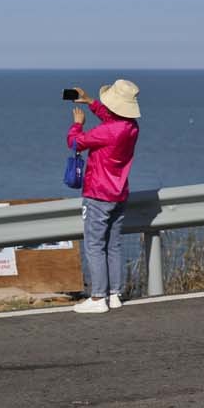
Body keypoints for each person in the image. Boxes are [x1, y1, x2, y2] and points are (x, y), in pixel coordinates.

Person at [67, 80, 141, 315]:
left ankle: (98, 297)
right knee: (113, 245)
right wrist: (91, 102)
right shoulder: (131, 127)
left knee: (94, 245)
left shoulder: (107, 132)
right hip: (119, 194)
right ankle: (114, 294)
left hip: (98, 194)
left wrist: (77, 125)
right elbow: (113, 120)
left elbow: (75, 143)